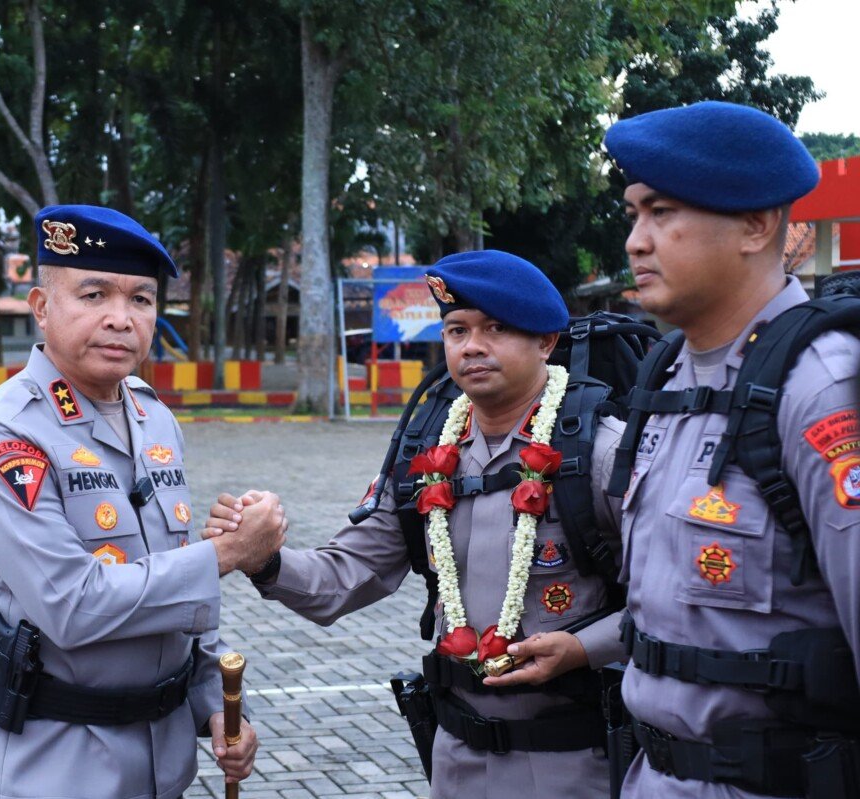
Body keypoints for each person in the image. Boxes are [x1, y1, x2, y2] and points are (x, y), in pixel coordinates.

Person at [206, 251, 628, 798]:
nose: (472, 346)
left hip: (576, 762)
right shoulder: (424, 452)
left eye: (495, 328)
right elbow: (344, 574)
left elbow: (670, 607)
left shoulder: (600, 451)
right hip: (455, 760)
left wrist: (582, 649)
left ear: (546, 341)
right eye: (457, 329)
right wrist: (261, 557)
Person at [0, 205, 286, 799]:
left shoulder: (152, 417)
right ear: (41, 307)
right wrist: (228, 554)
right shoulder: (5, 434)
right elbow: (72, 607)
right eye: (94, 294)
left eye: (141, 300)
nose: (121, 319)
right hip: (61, 765)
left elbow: (177, 585)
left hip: (164, 762)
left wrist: (216, 703)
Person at [603, 101, 860, 797]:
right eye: (632, 213)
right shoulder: (667, 378)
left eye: (661, 212)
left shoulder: (822, 389)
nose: (635, 240)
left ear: (755, 224)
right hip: (649, 775)